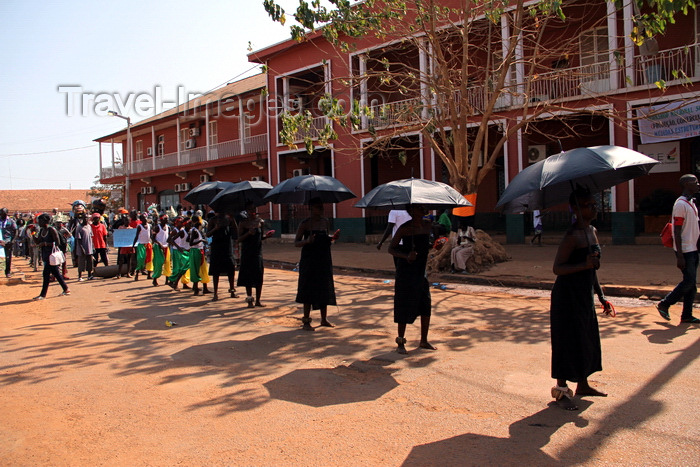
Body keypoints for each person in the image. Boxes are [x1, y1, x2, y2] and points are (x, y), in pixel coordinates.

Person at [549, 188, 612, 411]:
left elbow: (593, 267)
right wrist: (584, 264)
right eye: (588, 205)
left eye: (594, 204)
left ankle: (583, 384)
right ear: (575, 209)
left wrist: (601, 296)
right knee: (567, 340)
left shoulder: (591, 230)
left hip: (584, 295)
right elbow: (558, 268)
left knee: (586, 338)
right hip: (567, 297)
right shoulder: (572, 235)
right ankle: (561, 390)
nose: (594, 208)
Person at [388, 204, 436, 354]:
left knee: (425, 304)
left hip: (421, 271)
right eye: (419, 208)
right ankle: (401, 341)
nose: (423, 210)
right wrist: (406, 256)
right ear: (411, 211)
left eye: (423, 208)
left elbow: (426, 246)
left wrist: (436, 245)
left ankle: (424, 340)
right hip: (406, 271)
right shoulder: (405, 228)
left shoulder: (427, 226)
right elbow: (391, 248)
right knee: (404, 304)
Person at [656, 174, 700, 324]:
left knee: (692, 284)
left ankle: (686, 315)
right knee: (688, 282)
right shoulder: (680, 205)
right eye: (695, 182)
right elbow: (676, 231)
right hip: (686, 251)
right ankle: (665, 303)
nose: (698, 184)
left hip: (693, 249)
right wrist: (679, 255)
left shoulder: (691, 203)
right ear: (687, 184)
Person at [294, 198, 338, 330]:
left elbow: (327, 239)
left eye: (322, 207)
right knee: (308, 288)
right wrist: (307, 241)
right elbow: (296, 243)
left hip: (323, 259)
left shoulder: (325, 222)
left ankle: (324, 318)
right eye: (318, 207)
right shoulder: (305, 224)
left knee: (323, 287)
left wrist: (333, 238)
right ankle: (306, 321)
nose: (321, 210)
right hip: (309, 260)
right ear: (311, 209)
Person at [237, 202, 273, 307]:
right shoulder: (243, 223)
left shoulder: (260, 221)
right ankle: (250, 299)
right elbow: (239, 239)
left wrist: (267, 236)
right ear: (246, 211)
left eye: (254, 210)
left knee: (258, 276)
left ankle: (258, 300)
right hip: (247, 252)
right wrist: (248, 233)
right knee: (248, 277)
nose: (252, 212)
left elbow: (261, 237)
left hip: (257, 252)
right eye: (250, 210)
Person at [33, 213, 70, 299]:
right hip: (46, 256)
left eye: (40, 221)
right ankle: (66, 289)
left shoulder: (51, 230)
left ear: (45, 221)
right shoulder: (42, 230)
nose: (38, 222)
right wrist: (33, 233)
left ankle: (43, 294)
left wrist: (46, 244)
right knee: (56, 273)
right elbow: (37, 241)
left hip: (52, 256)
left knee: (46, 274)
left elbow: (58, 243)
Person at [207, 211, 237, 301]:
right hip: (216, 247)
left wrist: (233, 220)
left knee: (231, 268)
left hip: (227, 246)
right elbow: (208, 234)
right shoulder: (213, 220)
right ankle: (215, 293)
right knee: (216, 271)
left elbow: (235, 232)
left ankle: (232, 290)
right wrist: (215, 228)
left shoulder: (229, 219)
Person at [151, 214, 171, 287]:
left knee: (167, 263)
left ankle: (167, 280)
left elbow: (169, 237)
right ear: (162, 219)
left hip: (166, 247)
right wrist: (159, 244)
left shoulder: (168, 227)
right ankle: (155, 279)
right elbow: (153, 238)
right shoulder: (157, 227)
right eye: (166, 218)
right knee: (158, 263)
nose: (167, 220)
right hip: (158, 248)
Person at [132, 213, 153, 281]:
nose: (145, 219)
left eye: (146, 217)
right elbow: (136, 236)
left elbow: (151, 235)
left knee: (149, 259)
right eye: (143, 218)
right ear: (141, 220)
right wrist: (133, 245)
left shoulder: (149, 226)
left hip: (148, 244)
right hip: (141, 245)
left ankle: (149, 275)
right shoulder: (139, 227)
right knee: (140, 259)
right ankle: (137, 274)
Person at [73, 215, 94, 281]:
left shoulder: (89, 226)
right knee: (81, 262)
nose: (86, 219)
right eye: (85, 218)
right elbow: (78, 239)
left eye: (87, 218)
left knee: (90, 262)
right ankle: (80, 277)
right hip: (81, 248)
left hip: (89, 247)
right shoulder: (79, 227)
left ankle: (89, 275)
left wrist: (93, 246)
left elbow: (91, 236)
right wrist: (82, 248)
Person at [0, 207, 17, 277]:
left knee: (7, 257)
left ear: (7, 213)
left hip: (8, 241)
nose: (1, 214)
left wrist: (12, 241)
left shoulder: (11, 221)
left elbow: (16, 231)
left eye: (3, 213)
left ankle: (7, 272)